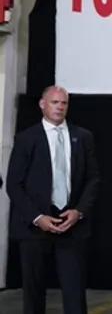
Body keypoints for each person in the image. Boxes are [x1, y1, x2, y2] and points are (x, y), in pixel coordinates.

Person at [5, 86, 100, 314]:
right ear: (42, 104)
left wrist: (79, 211)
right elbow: (14, 184)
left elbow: (93, 179)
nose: (59, 107)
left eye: (63, 103)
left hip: (72, 224)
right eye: (54, 102)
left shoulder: (83, 137)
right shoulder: (26, 138)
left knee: (75, 291)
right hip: (34, 226)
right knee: (34, 291)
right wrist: (37, 217)